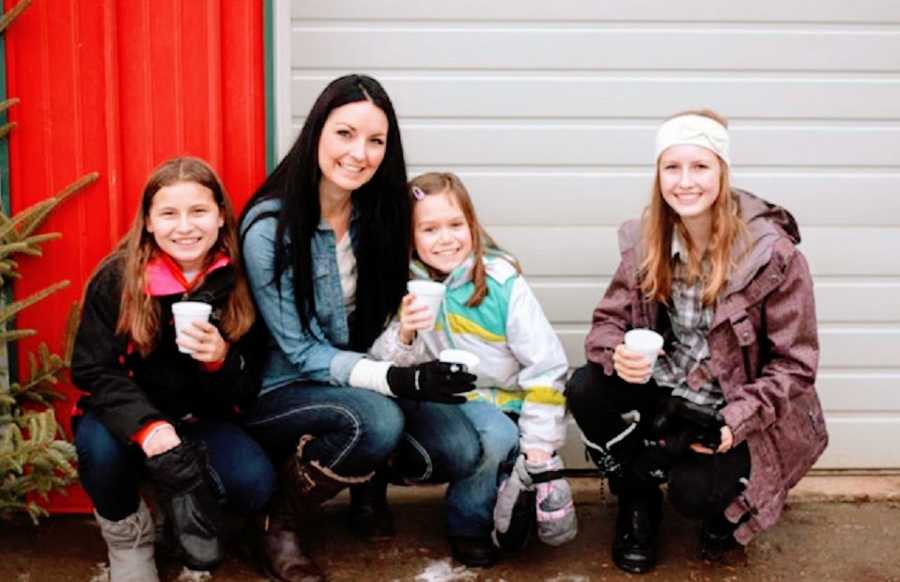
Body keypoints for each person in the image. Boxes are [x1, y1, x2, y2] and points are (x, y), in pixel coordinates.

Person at [565, 110, 828, 574]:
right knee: (586, 387)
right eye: (672, 167)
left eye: (700, 167)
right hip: (668, 388)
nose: (685, 182)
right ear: (658, 175)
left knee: (694, 493)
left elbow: (795, 366)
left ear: (722, 173)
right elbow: (607, 323)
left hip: (730, 404)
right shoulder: (648, 242)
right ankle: (638, 497)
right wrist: (618, 354)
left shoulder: (772, 256)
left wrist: (733, 421)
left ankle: (711, 493)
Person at [239, 75, 474, 582]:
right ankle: (277, 522)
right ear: (317, 133)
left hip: (367, 376)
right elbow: (301, 352)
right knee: (378, 421)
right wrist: (394, 380)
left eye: (375, 140)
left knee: (460, 446)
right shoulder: (270, 229)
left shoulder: (381, 213)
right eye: (345, 133)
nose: (359, 153)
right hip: (287, 388)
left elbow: (440, 248)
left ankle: (369, 482)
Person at [72, 157, 276, 581]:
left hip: (199, 419)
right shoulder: (117, 279)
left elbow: (249, 384)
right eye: (168, 213)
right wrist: (149, 428)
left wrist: (221, 359)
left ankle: (185, 519)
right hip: (125, 419)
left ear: (221, 215)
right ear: (148, 221)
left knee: (253, 482)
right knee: (99, 451)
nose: (184, 227)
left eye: (199, 211)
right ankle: (129, 542)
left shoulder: (240, 280)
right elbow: (93, 370)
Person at [369, 172, 576, 567]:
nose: (445, 238)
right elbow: (380, 367)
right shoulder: (402, 285)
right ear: (410, 237)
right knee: (496, 434)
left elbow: (546, 365)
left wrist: (540, 440)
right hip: (440, 405)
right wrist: (407, 331)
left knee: (507, 443)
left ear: (472, 224)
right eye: (429, 229)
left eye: (455, 225)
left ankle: (507, 496)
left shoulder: (501, 283)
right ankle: (468, 523)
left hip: (507, 403)